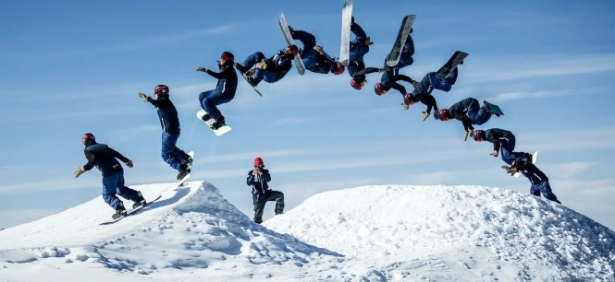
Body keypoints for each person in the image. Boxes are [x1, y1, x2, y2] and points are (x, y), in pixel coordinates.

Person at [74, 133, 146, 219]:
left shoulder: (88, 150)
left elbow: (92, 160)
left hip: (109, 173)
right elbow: (116, 153)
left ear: (84, 142)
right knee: (120, 189)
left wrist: (82, 169)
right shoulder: (103, 146)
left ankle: (119, 207)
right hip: (118, 169)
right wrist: (126, 161)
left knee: (107, 195)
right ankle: (138, 197)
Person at [138, 84, 192, 181]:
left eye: (155, 94)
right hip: (171, 130)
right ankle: (185, 157)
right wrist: (148, 99)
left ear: (158, 93)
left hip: (169, 131)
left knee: (165, 154)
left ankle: (182, 168)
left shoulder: (164, 101)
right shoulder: (166, 101)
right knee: (170, 147)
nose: (155, 96)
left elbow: (160, 103)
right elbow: (159, 104)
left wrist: (148, 99)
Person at [195, 51, 239, 130]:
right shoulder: (225, 68)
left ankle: (220, 119)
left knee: (206, 101)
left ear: (229, 60)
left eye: (224, 58)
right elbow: (222, 74)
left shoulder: (229, 69)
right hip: (219, 90)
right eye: (221, 58)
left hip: (225, 94)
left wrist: (206, 70)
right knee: (202, 95)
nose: (222, 60)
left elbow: (220, 76)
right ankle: (210, 112)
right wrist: (220, 67)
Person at [434, 97, 501, 141]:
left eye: (445, 119)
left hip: (471, 103)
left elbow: (463, 118)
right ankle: (490, 112)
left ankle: (484, 108)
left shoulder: (452, 113)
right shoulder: (452, 113)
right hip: (472, 103)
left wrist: (466, 130)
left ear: (445, 116)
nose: (447, 120)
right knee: (478, 122)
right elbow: (465, 119)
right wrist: (471, 128)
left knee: (474, 120)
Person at [374, 28, 415, 95]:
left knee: (409, 61)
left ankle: (397, 53)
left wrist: (405, 99)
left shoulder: (386, 83)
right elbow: (402, 77)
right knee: (410, 52)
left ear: (381, 90)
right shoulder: (391, 79)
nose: (385, 92)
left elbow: (401, 88)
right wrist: (411, 81)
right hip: (392, 62)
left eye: (383, 93)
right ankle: (406, 35)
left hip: (391, 63)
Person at [234, 45, 298, 87]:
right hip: (267, 70)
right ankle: (244, 67)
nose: (288, 49)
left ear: (293, 53)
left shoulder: (287, 63)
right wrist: (254, 70)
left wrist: (266, 67)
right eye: (288, 47)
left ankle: (255, 80)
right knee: (258, 54)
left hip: (273, 77)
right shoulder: (278, 55)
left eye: (291, 49)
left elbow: (277, 70)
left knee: (266, 62)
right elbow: (266, 63)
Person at [246, 157, 284, 224]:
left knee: (280, 195)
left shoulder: (265, 172)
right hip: (258, 195)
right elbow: (248, 183)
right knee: (258, 214)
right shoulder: (251, 173)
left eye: (261, 165)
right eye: (258, 165)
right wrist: (252, 175)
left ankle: (279, 214)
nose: (259, 166)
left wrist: (262, 173)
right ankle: (259, 229)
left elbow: (268, 179)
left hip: (266, 193)